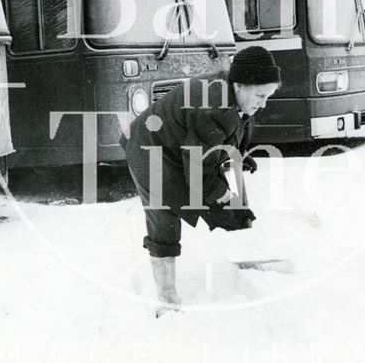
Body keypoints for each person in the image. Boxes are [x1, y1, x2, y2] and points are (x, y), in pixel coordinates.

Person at [120, 45, 281, 316]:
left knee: (231, 206)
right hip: (149, 151)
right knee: (165, 218)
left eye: (269, 96)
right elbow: (199, 171)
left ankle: (241, 264)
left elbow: (231, 130)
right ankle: (167, 299)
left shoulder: (233, 95)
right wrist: (224, 196)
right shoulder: (215, 104)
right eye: (260, 95)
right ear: (240, 86)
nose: (263, 103)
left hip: (179, 149)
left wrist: (238, 155)